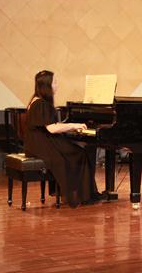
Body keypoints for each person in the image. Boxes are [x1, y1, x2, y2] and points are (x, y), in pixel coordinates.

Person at [25, 70, 100, 208]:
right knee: (80, 154)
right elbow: (52, 128)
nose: (57, 85)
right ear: (47, 85)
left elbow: (49, 126)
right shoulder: (41, 103)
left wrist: (68, 128)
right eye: (54, 82)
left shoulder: (35, 100)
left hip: (35, 144)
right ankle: (84, 196)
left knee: (75, 152)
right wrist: (73, 125)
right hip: (42, 145)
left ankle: (76, 193)